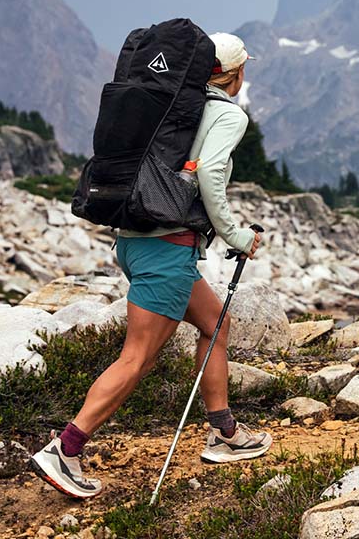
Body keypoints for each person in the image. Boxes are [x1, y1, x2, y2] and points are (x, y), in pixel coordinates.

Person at [30, 32, 272, 499]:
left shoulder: (167, 108)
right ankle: (65, 448)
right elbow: (209, 174)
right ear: (237, 73)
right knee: (136, 357)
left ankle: (224, 433)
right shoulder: (224, 113)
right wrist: (238, 235)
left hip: (136, 242)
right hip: (167, 250)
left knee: (215, 325)